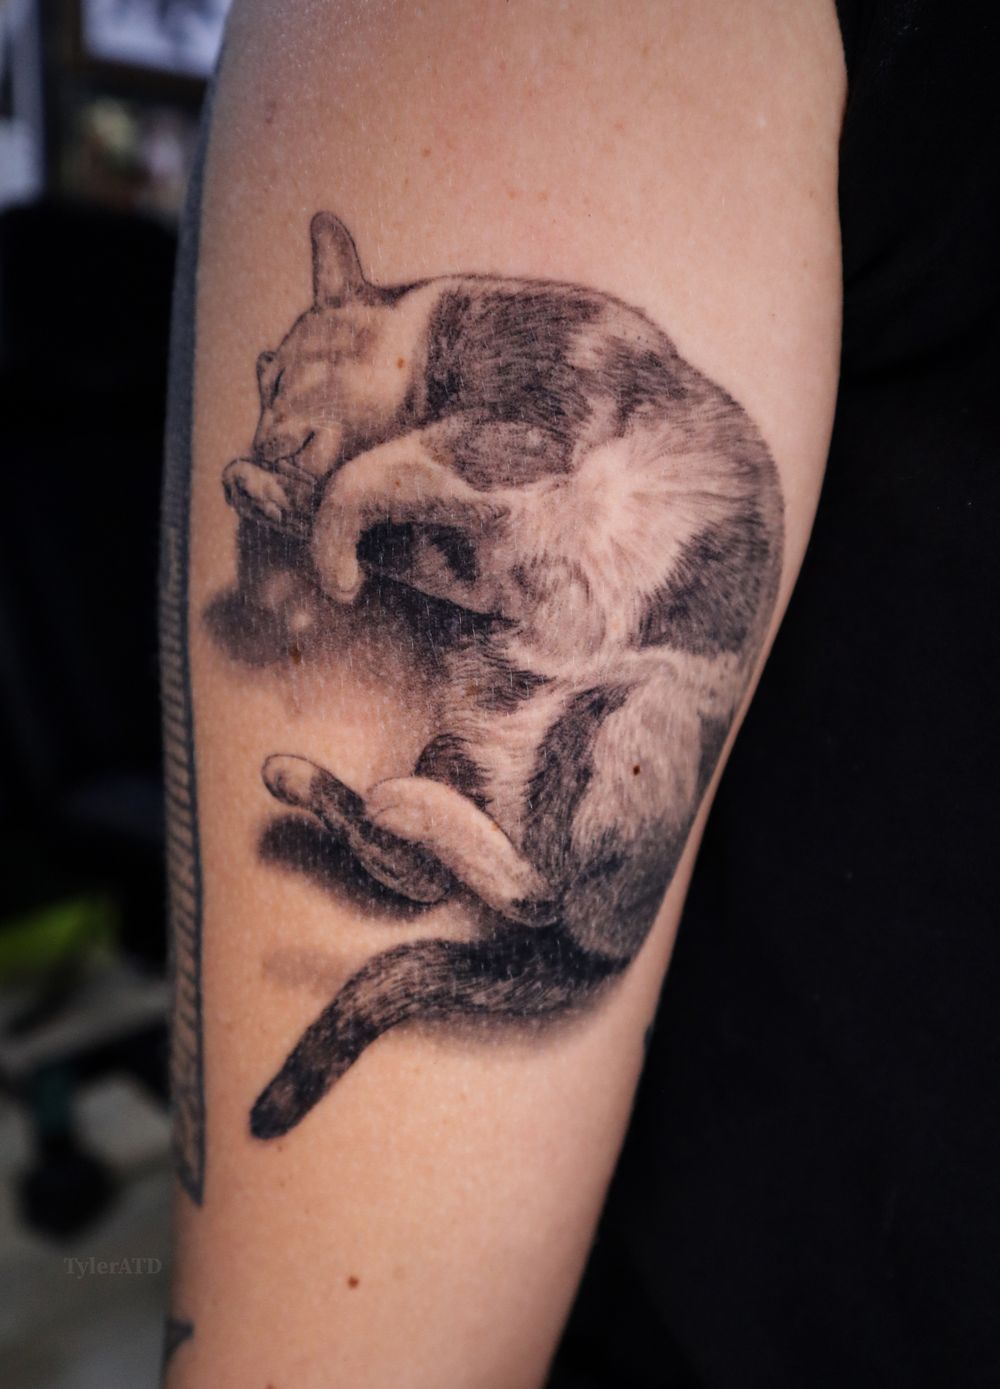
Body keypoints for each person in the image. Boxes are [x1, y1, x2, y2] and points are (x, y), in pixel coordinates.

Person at [161, 1, 998, 1384]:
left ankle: (498, 880)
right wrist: (334, 511)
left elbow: (516, 460)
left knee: (534, 763)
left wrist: (345, 502)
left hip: (635, 729)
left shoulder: (482, 329)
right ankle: (402, 839)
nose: (276, 407)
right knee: (449, 765)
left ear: (350, 312)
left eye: (284, 379)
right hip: (757, 1258)